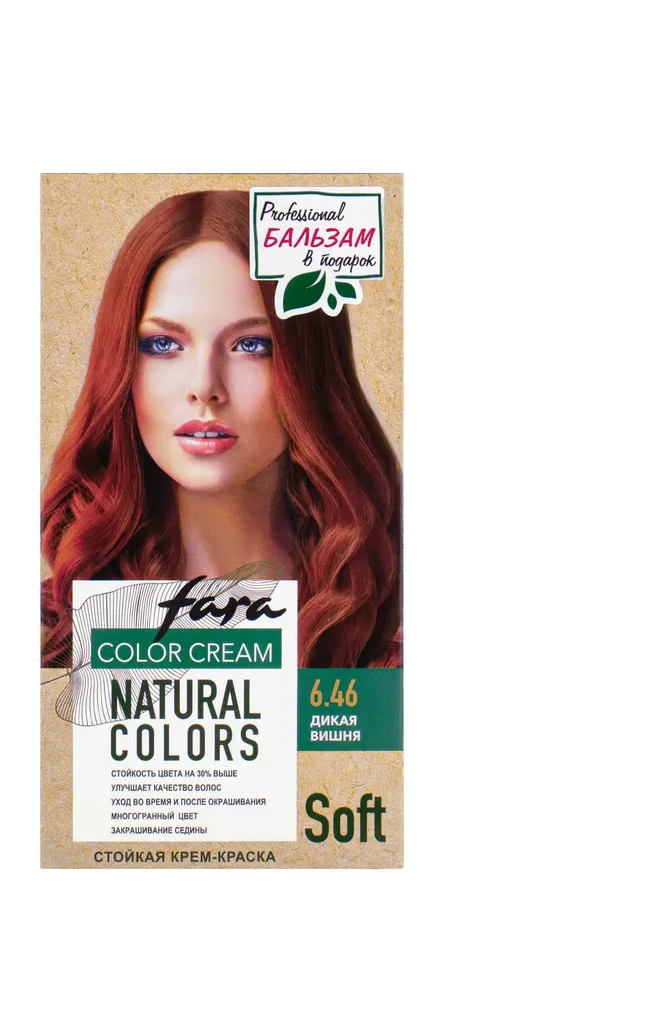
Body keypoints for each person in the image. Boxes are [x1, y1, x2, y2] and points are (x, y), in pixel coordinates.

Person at [42, 190, 401, 669]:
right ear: (121, 366)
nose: (204, 387)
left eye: (251, 344)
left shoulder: (388, 643)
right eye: (164, 344)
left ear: (312, 371)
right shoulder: (51, 637)